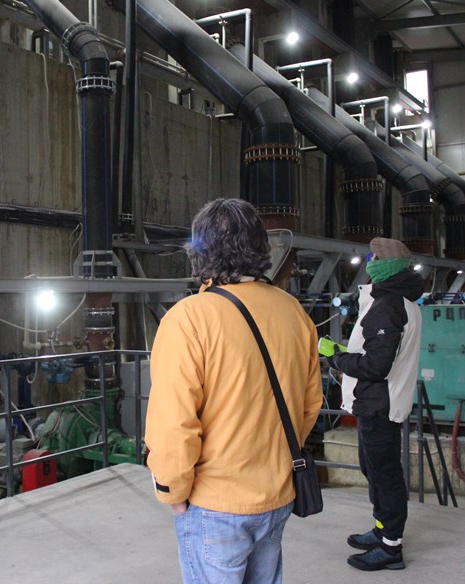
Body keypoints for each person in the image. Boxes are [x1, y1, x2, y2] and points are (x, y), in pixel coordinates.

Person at [145, 198, 323, 584]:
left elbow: (174, 423)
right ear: (261, 247)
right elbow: (310, 405)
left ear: (199, 252)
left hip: (215, 502)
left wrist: (173, 491)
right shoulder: (294, 312)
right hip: (278, 495)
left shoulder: (189, 318)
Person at [321, 236, 424, 572]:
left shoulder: (389, 305)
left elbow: (376, 367)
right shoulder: (395, 299)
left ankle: (391, 547)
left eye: (375, 258)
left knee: (384, 474)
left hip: (380, 403)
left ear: (387, 265)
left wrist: (336, 358)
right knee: (374, 469)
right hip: (376, 402)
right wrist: (345, 354)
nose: (370, 263)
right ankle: (382, 530)